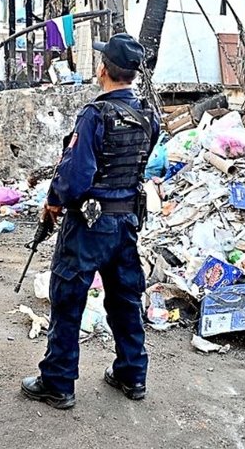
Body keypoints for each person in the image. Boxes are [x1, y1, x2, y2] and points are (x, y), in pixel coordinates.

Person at [21, 33, 160, 410]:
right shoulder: (148, 115)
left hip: (88, 225)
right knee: (125, 299)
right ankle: (132, 375)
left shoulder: (95, 115)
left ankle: (58, 382)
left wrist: (52, 203)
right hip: (127, 222)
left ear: (103, 69)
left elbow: (75, 176)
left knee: (68, 301)